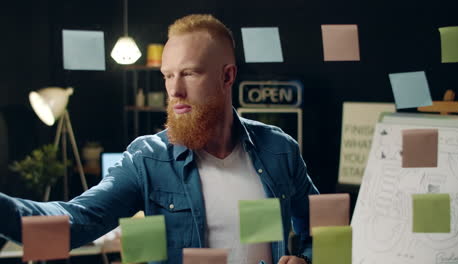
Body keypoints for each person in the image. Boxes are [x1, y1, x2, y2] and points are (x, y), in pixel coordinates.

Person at [0, 14, 318, 264]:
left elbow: (322, 229)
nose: (174, 90)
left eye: (190, 73)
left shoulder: (279, 149)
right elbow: (74, 224)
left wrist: (305, 259)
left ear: (227, 76)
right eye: (167, 75)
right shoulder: (147, 159)